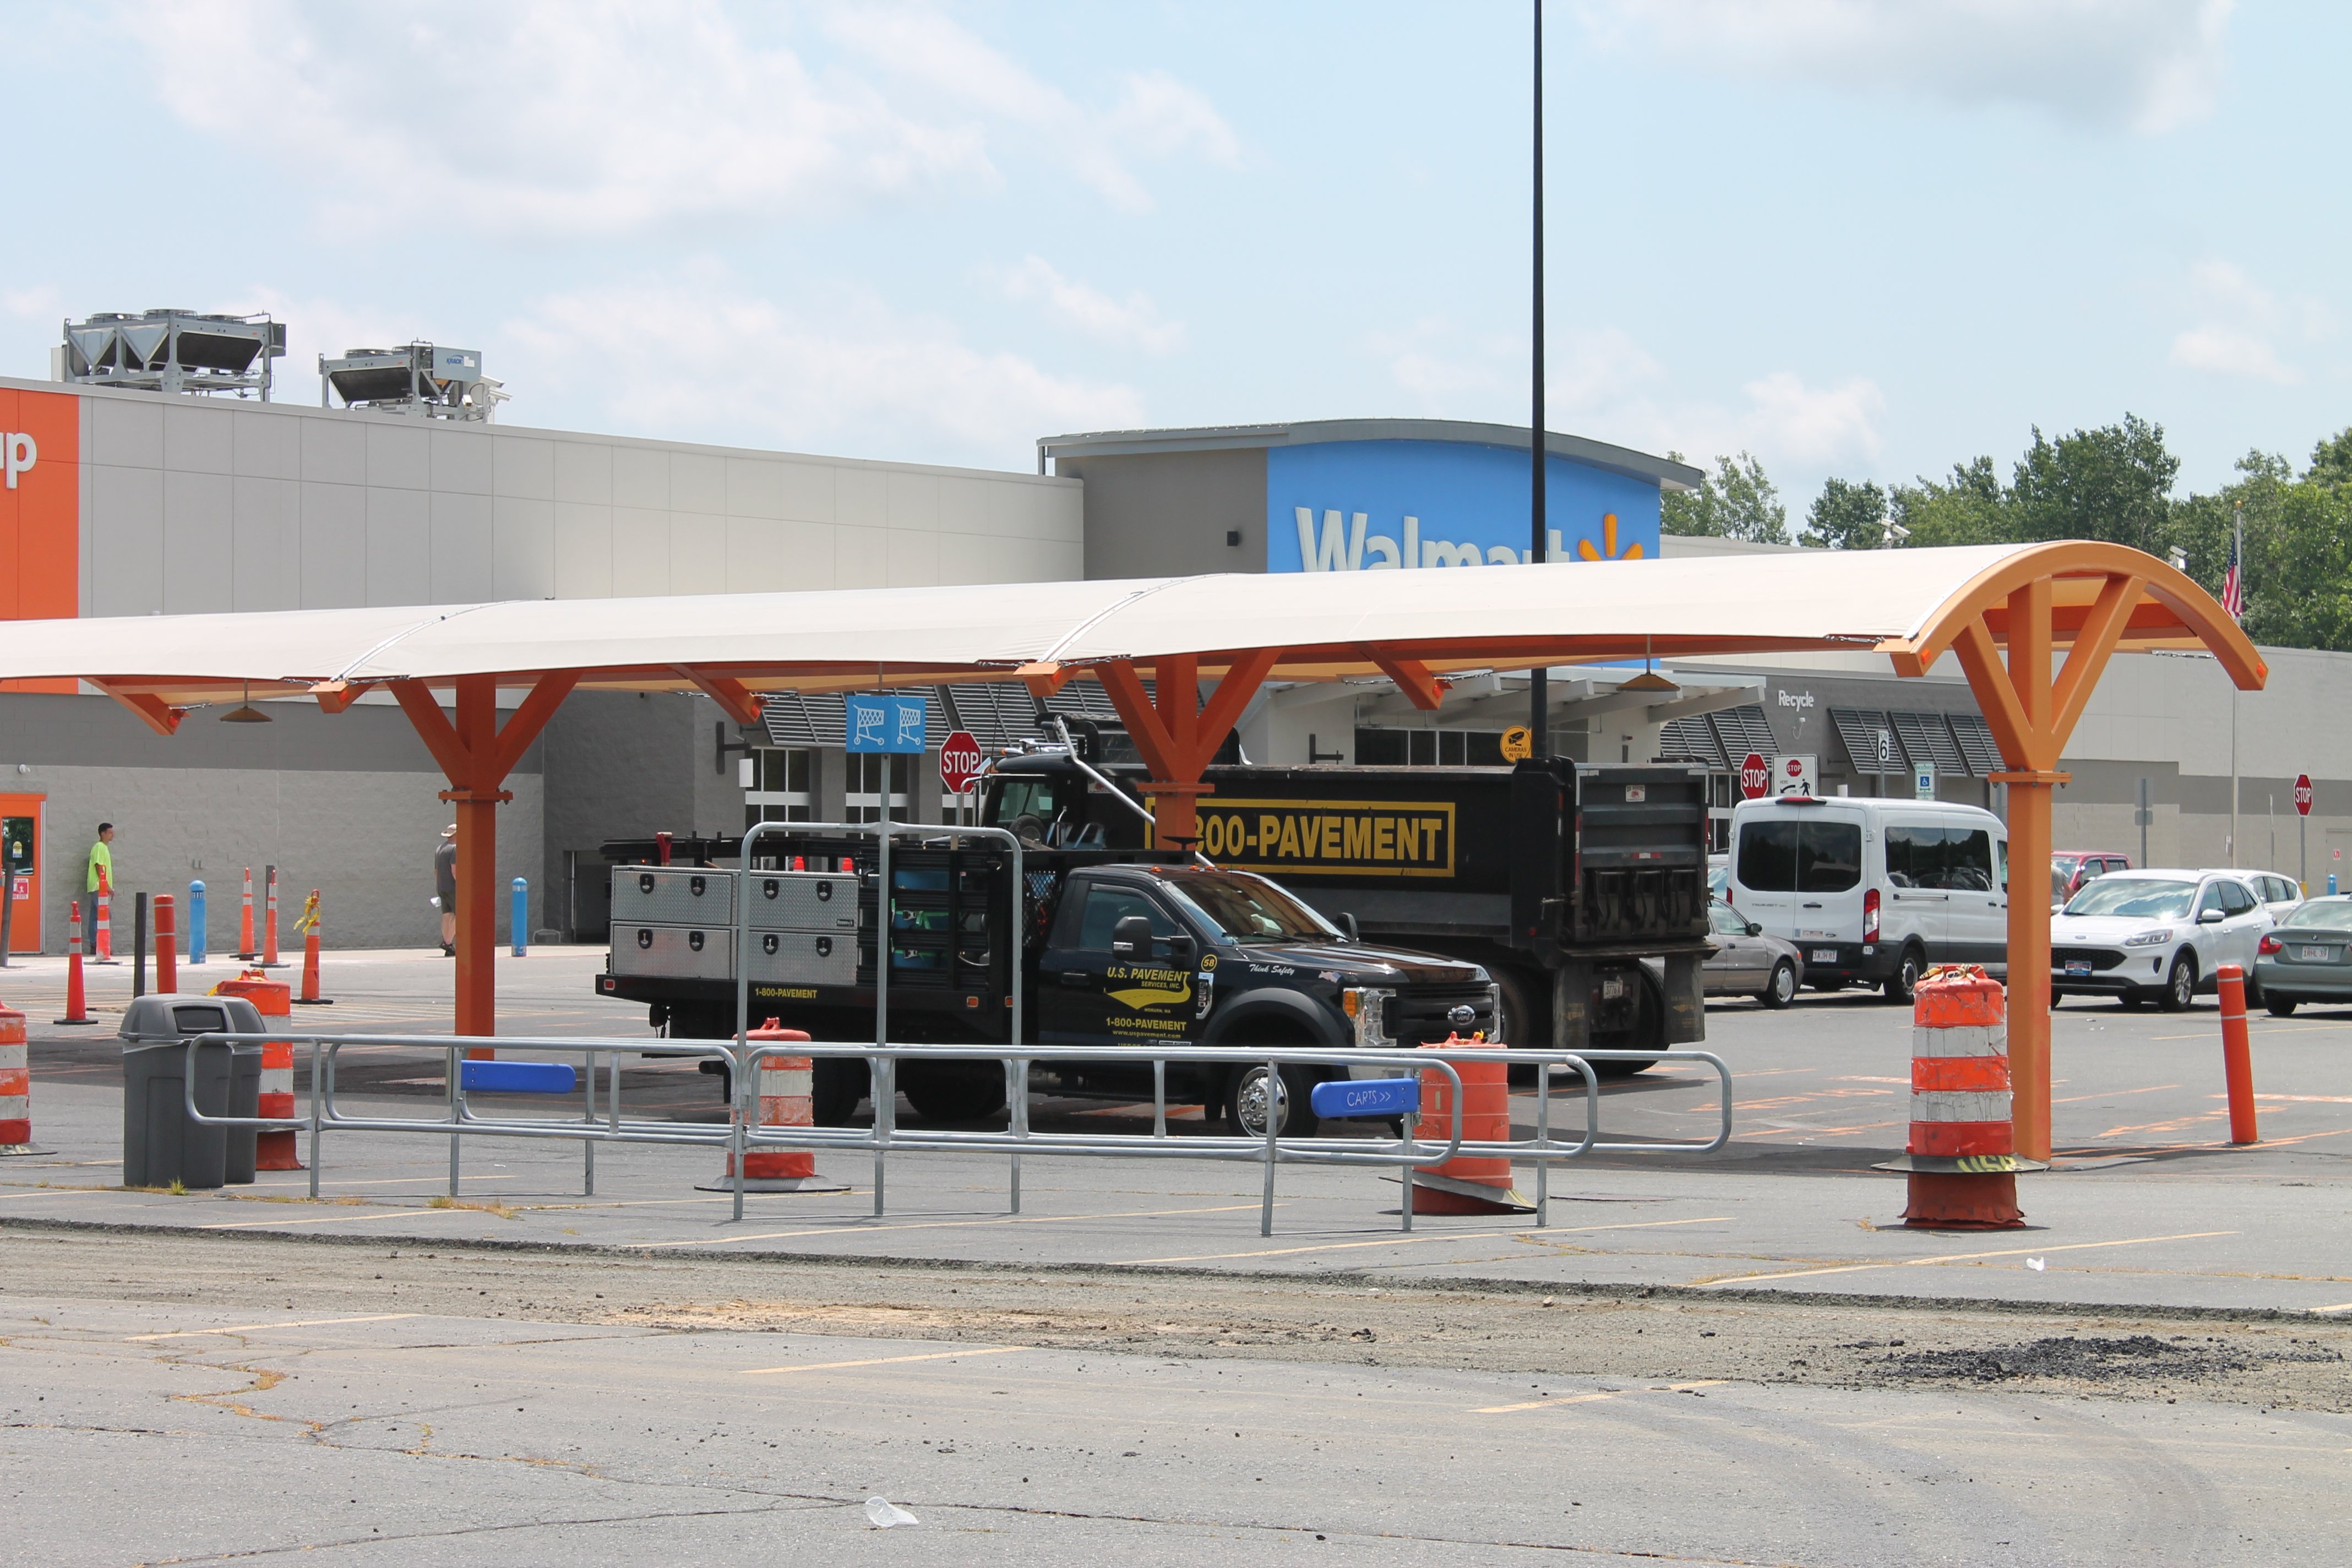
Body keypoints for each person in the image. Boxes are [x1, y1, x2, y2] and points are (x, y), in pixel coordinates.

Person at [434, 824, 458, 956]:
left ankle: (447, 942)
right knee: (460, 914)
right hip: (453, 887)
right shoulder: (455, 849)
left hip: (441, 886)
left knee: (447, 914)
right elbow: (455, 871)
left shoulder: (440, 849)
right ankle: (448, 942)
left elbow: (436, 871)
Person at [87, 823, 114, 896]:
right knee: (99, 908)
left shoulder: (104, 847)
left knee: (100, 908)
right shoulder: (99, 847)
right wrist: (106, 886)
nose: (113, 835)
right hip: (98, 887)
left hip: (101, 888)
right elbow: (99, 867)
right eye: (110, 833)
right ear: (103, 834)